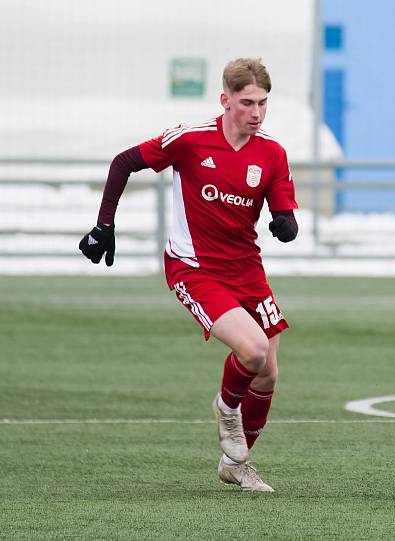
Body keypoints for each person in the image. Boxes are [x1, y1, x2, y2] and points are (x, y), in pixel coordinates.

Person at [79, 58, 298, 493]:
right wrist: (105, 225)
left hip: (247, 269)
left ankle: (237, 463)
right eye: (247, 103)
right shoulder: (191, 140)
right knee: (253, 352)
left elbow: (285, 212)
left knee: (269, 372)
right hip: (195, 269)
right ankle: (226, 407)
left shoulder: (272, 152)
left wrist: (286, 225)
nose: (256, 113)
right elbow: (124, 162)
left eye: (263, 103)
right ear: (225, 100)